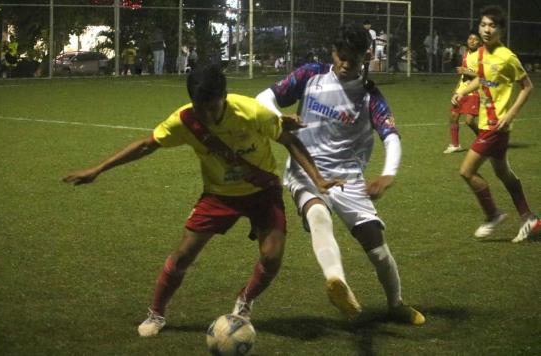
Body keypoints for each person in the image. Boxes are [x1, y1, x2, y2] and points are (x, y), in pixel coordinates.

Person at [62, 65, 343, 337]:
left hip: (263, 192)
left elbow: (289, 140)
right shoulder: (185, 120)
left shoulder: (251, 111)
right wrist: (98, 169)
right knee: (183, 255)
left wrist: (317, 179)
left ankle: (244, 301)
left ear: (224, 97)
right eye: (200, 108)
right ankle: (156, 313)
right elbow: (148, 144)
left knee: (272, 258)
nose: (206, 115)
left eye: (213, 107)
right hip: (219, 195)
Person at [256, 24, 425, 325]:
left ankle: (396, 304)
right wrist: (279, 116)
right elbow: (263, 98)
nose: (346, 64)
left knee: (377, 249)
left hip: (348, 177)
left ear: (367, 56)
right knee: (317, 216)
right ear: (333, 53)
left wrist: (388, 173)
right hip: (305, 169)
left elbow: (391, 135)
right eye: (341, 56)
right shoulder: (310, 75)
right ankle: (337, 282)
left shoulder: (369, 95)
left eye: (354, 59)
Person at [451, 5, 540, 242]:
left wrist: (509, 115)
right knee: (504, 174)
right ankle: (529, 218)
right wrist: (463, 91)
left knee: (467, 171)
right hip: (487, 124)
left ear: (501, 29)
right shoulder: (480, 53)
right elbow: (481, 79)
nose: (487, 30)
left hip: (495, 127)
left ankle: (493, 214)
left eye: (492, 25)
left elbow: (527, 87)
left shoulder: (507, 57)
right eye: (483, 25)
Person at [444, 31, 481, 154]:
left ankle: (483, 140)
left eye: (475, 39)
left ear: (480, 41)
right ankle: (455, 145)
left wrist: (466, 71)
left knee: (469, 121)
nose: (472, 41)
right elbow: (463, 77)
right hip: (462, 91)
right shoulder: (465, 54)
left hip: (474, 91)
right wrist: (456, 91)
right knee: (453, 117)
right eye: (470, 38)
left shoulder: (482, 55)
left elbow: (484, 76)